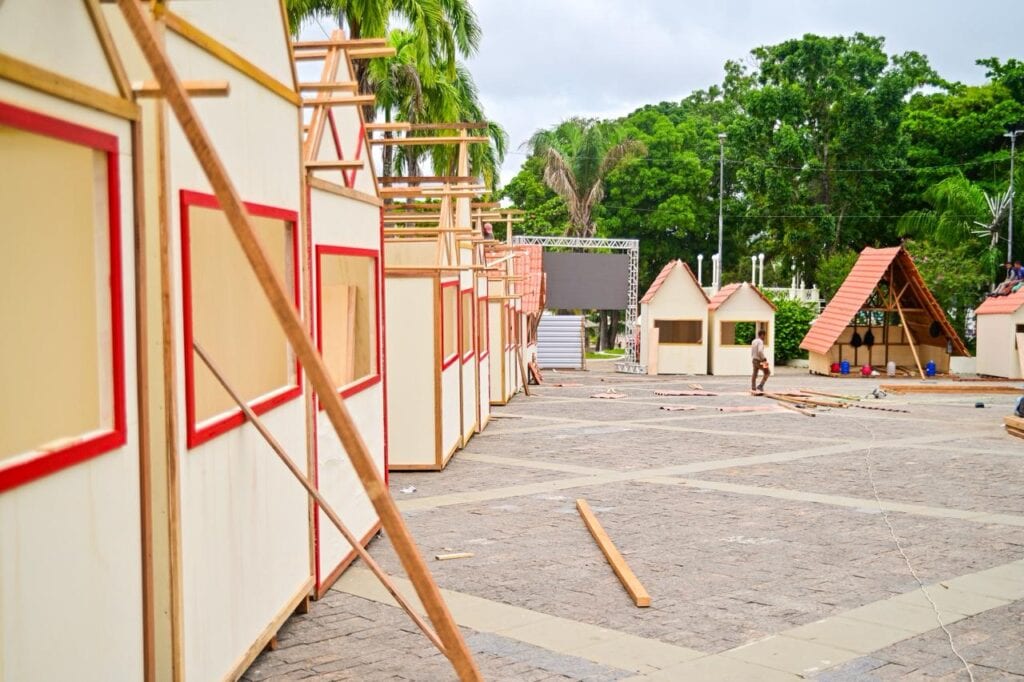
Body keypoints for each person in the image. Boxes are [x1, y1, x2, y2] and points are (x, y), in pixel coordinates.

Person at [750, 329, 770, 393]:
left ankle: (753, 387)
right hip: (761, 360)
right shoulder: (760, 341)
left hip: (754, 360)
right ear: (762, 335)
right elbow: (760, 351)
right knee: (767, 372)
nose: (765, 337)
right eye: (764, 336)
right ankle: (761, 386)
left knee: (755, 373)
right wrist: (764, 358)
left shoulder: (753, 341)